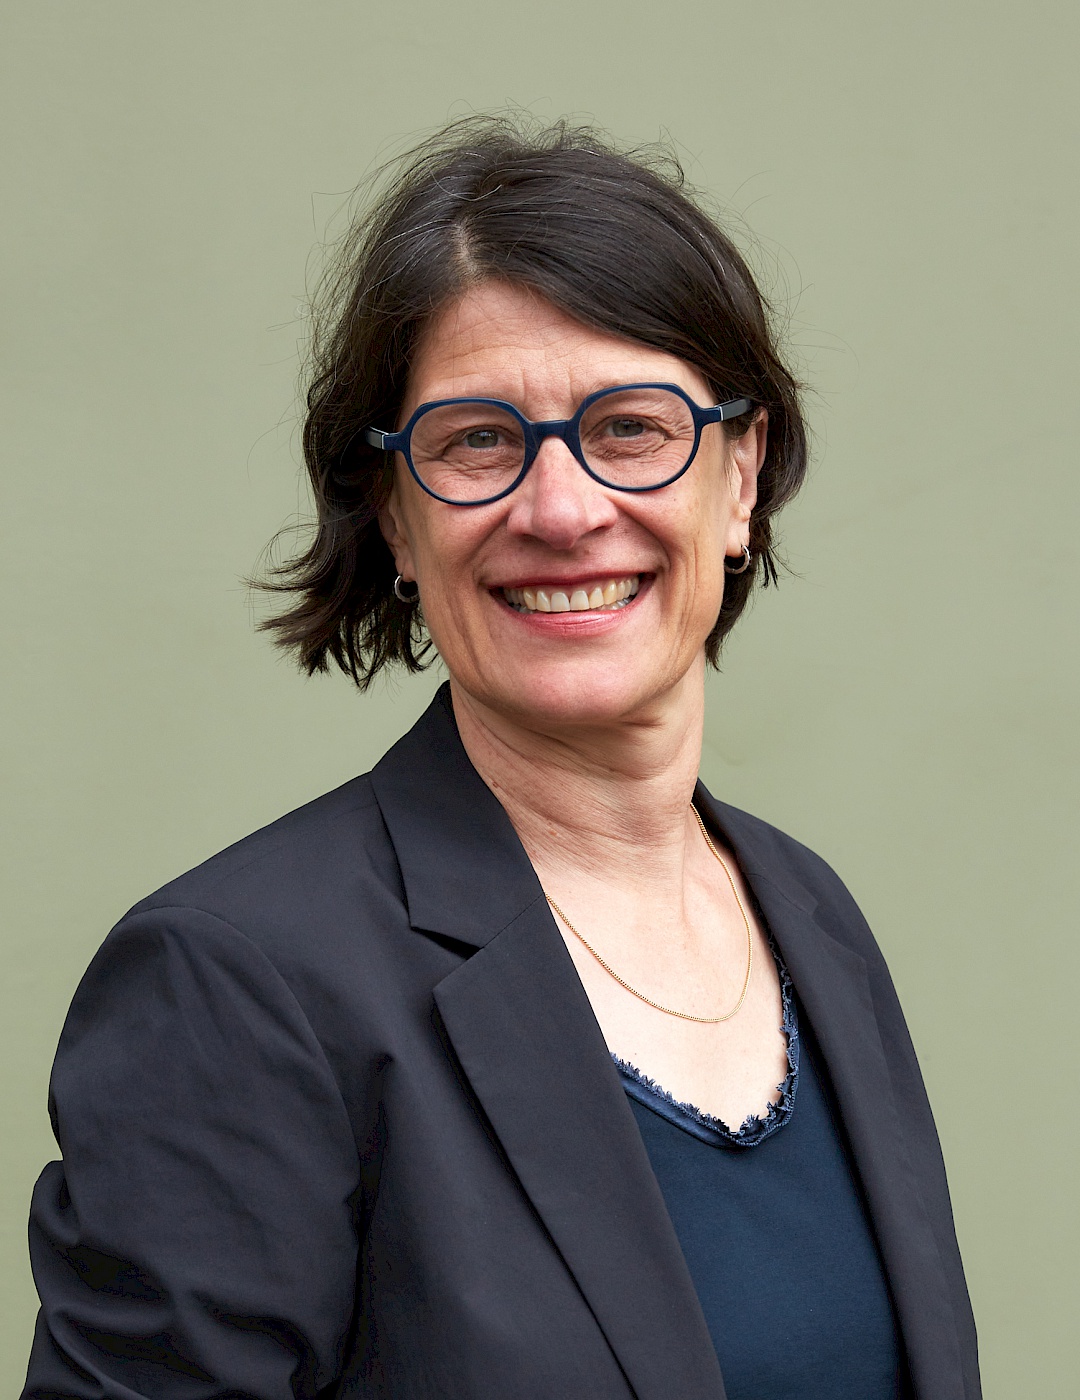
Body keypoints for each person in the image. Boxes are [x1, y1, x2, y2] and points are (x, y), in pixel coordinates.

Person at [22, 118, 980, 1400]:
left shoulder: (811, 918)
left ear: (741, 480)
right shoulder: (239, 983)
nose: (563, 506)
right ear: (398, 522)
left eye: (633, 426)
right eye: (477, 439)